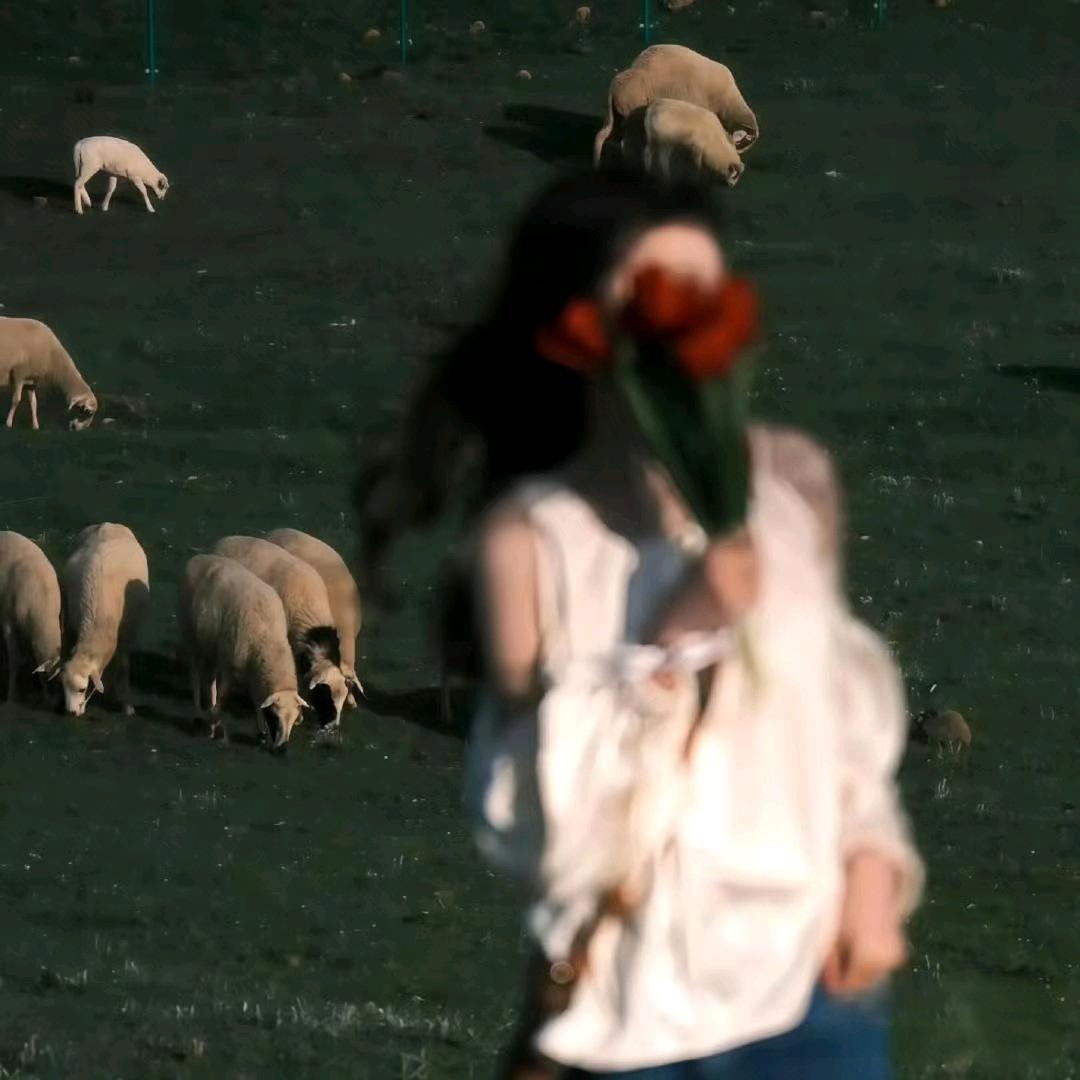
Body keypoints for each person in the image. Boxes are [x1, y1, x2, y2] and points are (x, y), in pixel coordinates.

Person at [355, 169, 924, 1079]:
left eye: (707, 293)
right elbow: (541, 829)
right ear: (580, 327)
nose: (685, 325)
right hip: (635, 1022)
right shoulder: (532, 543)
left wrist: (873, 880)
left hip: (813, 1005)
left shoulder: (790, 494)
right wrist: (676, 633)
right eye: (654, 297)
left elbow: (842, 742)